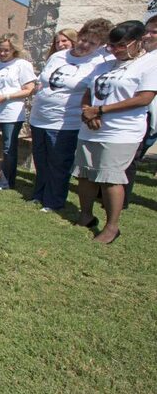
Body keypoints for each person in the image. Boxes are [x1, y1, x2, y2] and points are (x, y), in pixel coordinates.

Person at [73, 20, 157, 244]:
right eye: (111, 45)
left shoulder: (149, 63)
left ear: (137, 42)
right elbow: (88, 92)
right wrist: (87, 112)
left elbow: (144, 98)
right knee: (85, 173)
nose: (114, 50)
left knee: (110, 178)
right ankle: (85, 215)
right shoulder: (105, 64)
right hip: (91, 128)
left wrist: (100, 110)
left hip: (121, 131)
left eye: (120, 45)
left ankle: (112, 227)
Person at [30, 19, 112, 211]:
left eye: (92, 43)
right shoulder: (58, 56)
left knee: (59, 163)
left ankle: (53, 201)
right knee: (41, 161)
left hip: (66, 122)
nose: (85, 45)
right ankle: (39, 194)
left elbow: (94, 92)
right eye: (83, 39)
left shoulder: (97, 63)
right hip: (39, 117)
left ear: (100, 46)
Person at [0, 33, 37, 190]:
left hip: (11, 112)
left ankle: (6, 181)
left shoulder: (21, 65)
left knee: (8, 148)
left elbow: (29, 89)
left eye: (6, 50)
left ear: (14, 50)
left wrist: (7, 97)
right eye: (0, 50)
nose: (2, 53)